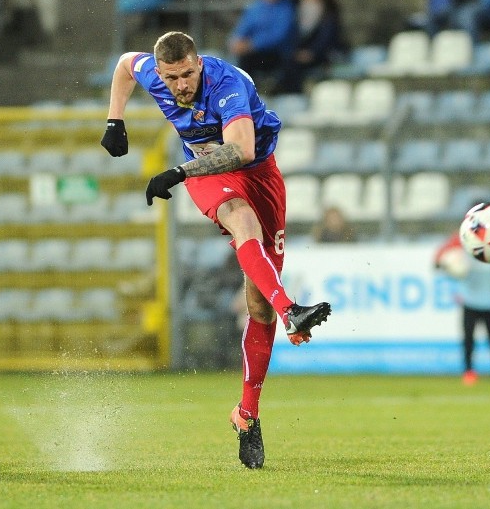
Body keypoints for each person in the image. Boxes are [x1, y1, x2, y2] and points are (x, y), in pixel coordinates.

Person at [101, 31, 332, 470]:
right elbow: (125, 64)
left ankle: (247, 415)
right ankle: (292, 310)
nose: (180, 85)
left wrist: (177, 171)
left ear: (199, 64)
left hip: (258, 172)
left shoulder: (226, 84)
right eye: (172, 78)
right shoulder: (153, 71)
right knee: (240, 221)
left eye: (187, 74)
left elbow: (242, 150)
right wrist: (115, 119)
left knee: (257, 308)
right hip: (210, 175)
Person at [434, 216, 490, 385]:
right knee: (468, 338)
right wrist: (444, 263)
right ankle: (469, 371)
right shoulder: (464, 238)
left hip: (488, 297)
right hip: (469, 298)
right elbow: (440, 256)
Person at [227, 0, 296, 92]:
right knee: (241, 61)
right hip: (254, 52)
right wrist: (235, 41)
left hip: (276, 53)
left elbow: (278, 36)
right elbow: (243, 27)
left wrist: (252, 44)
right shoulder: (256, 7)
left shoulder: (285, 9)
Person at [281, 0, 348, 94]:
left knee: (294, 66)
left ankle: (295, 95)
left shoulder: (328, 9)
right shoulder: (294, 6)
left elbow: (327, 35)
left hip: (320, 51)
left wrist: (312, 52)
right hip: (297, 50)